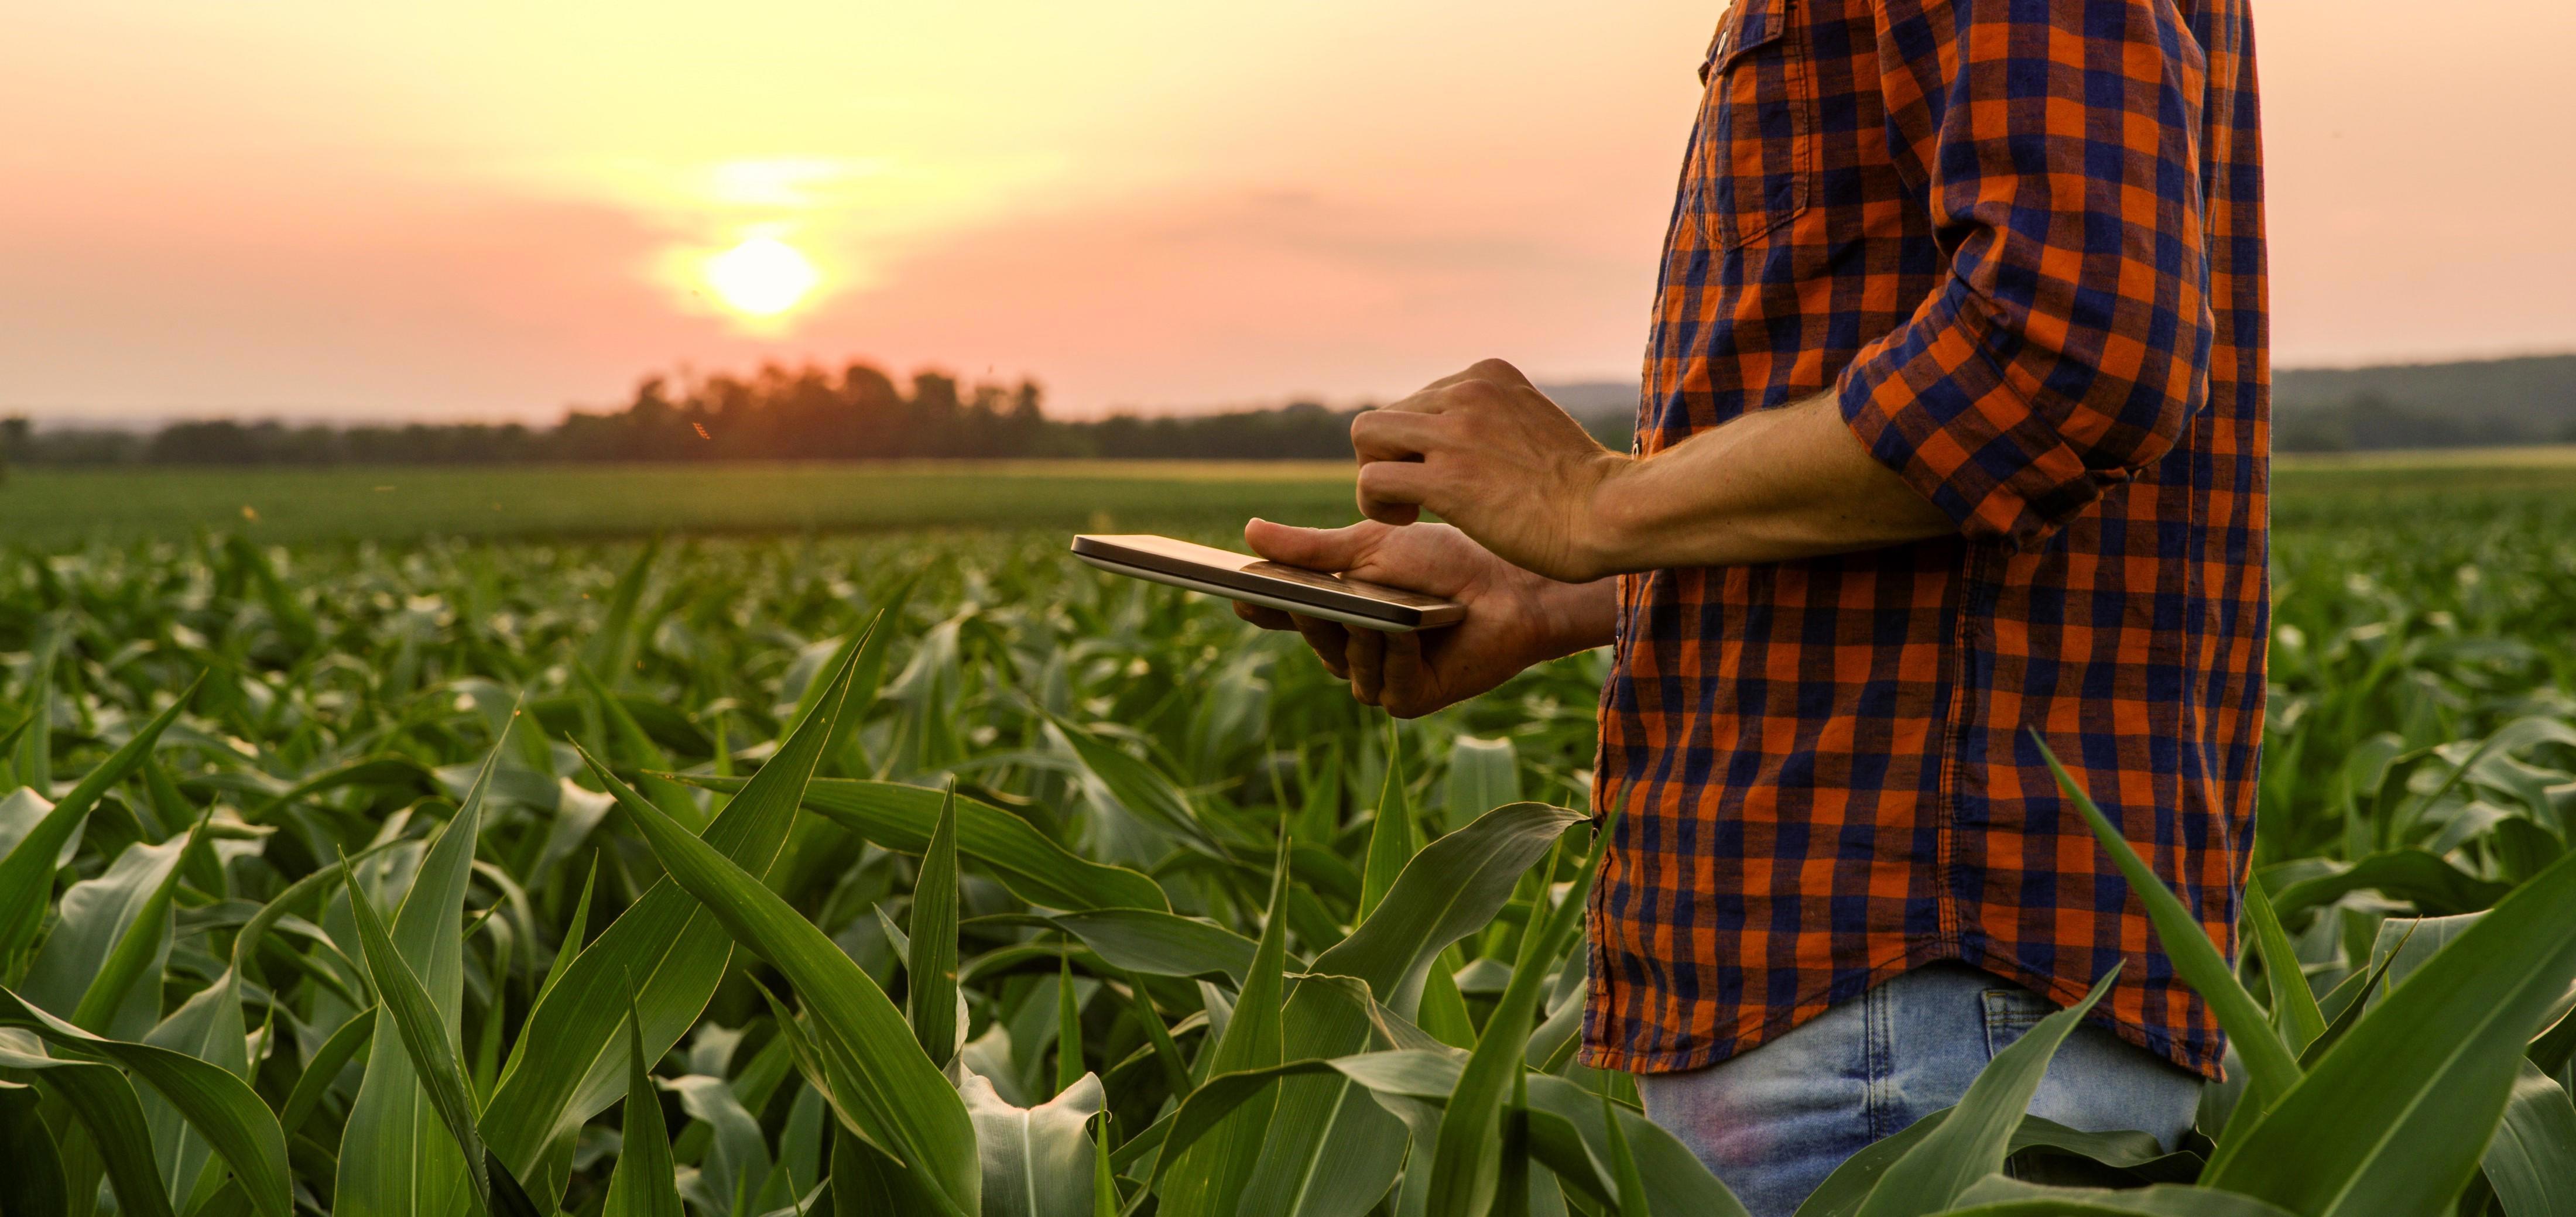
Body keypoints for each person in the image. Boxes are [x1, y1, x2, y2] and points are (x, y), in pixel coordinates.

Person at [1231, 0, 2266, 1208]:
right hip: (1888, 1016)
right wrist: (1557, 588)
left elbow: (2065, 347)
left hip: (1912, 1026)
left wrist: (1590, 502)